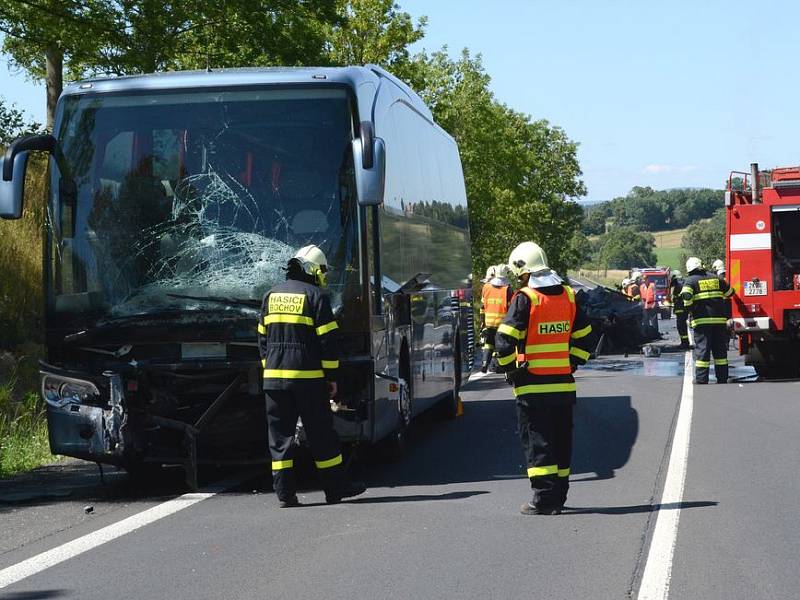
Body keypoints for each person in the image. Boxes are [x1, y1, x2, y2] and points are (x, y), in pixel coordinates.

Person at [258, 244, 366, 507]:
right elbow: (328, 343)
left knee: (280, 437)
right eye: (322, 271)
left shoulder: (270, 295)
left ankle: (285, 494)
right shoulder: (315, 296)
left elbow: (262, 338)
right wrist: (331, 377)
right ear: (312, 269)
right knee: (321, 435)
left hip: (273, 380)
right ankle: (335, 489)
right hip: (307, 379)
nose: (323, 276)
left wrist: (269, 369)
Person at [495, 242, 595, 515]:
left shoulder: (525, 298)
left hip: (532, 388)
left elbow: (504, 341)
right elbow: (586, 335)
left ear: (523, 271)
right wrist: (573, 361)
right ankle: (559, 496)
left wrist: (510, 371)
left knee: (538, 443)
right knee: (562, 442)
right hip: (563, 386)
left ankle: (543, 500)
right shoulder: (569, 296)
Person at [680, 257, 735, 384]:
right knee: (720, 350)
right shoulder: (717, 279)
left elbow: (687, 296)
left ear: (689, 269)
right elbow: (730, 293)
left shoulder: (689, 281)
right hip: (720, 321)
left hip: (702, 322)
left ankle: (701, 379)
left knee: (703, 350)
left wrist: (689, 307)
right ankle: (722, 378)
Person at [480, 263, 513, 372]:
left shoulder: (486, 287)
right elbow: (511, 307)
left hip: (489, 322)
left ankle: (485, 363)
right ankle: (498, 366)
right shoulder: (507, 289)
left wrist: (482, 322)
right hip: (502, 323)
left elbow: (482, 306)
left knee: (489, 343)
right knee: (500, 345)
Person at [670, 270, 689, 348]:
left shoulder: (675, 282)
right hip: (686, 307)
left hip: (679, 307)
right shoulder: (685, 281)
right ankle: (685, 342)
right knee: (683, 325)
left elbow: (672, 295)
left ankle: (684, 343)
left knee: (680, 326)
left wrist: (672, 298)